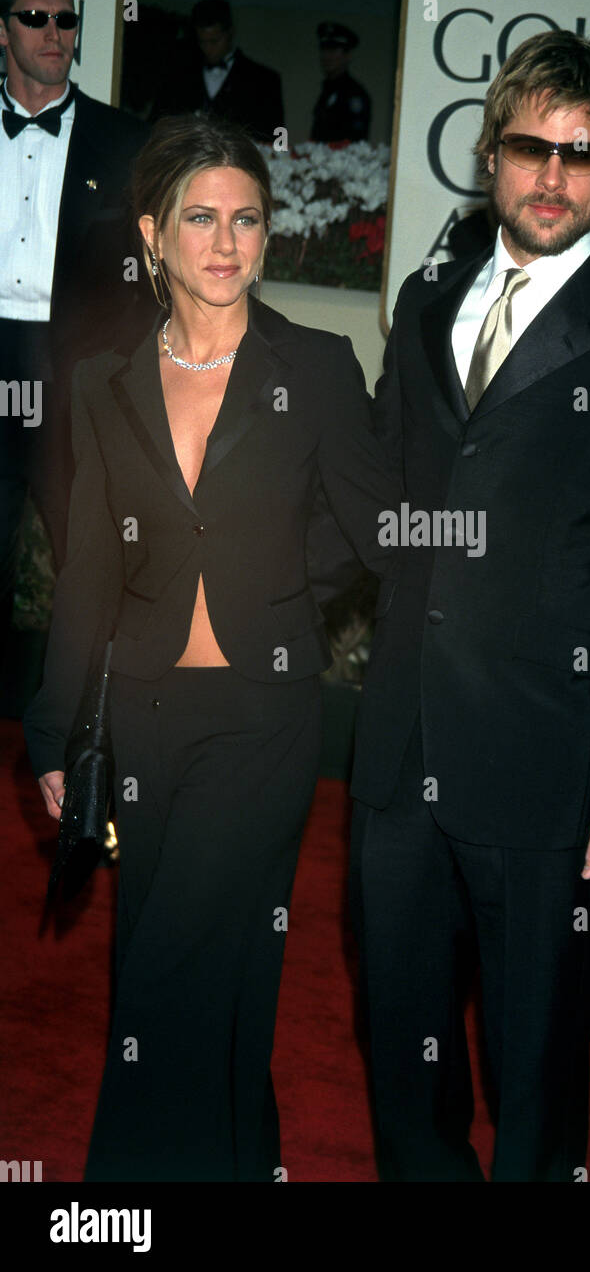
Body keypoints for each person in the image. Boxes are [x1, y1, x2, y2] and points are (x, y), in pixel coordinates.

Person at [348, 30, 590, 1182]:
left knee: (535, 1058)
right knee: (398, 1043)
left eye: (584, 154)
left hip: (548, 762)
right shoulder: (425, 301)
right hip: (403, 735)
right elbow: (375, 492)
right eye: (530, 148)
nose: (552, 176)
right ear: (491, 154)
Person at [23, 115, 399, 1182]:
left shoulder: (319, 366)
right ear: (153, 233)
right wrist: (54, 731)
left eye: (247, 218)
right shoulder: (103, 379)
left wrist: (287, 591)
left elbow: (378, 531)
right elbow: (87, 567)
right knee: (213, 968)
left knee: (163, 973)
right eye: (201, 218)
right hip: (140, 716)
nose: (227, 241)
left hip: (260, 721)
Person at [0, 0, 150, 663]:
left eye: (65, 18)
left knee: (87, 564)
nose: (53, 32)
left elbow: (149, 280)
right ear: (2, 31)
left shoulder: (125, 142)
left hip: (74, 374)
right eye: (35, 17)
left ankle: (95, 743)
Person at [150, 0, 284, 145]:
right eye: (202, 42)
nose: (208, 49)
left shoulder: (264, 80)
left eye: (214, 41)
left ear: (230, 33)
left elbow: (276, 139)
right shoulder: (178, 76)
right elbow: (157, 125)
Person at [309, 22, 371, 143]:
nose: (327, 56)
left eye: (333, 50)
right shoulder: (327, 90)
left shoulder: (354, 94)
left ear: (347, 55)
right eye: (324, 49)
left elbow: (354, 141)